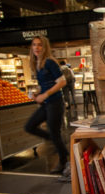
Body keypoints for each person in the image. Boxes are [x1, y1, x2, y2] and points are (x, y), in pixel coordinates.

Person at [24, 36, 69, 176]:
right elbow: (45, 85)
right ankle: (56, 141)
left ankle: (63, 161)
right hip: (46, 104)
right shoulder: (37, 64)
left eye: (40, 45)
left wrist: (45, 94)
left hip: (55, 103)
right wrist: (38, 92)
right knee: (29, 126)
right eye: (34, 45)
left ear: (45, 47)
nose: (37, 48)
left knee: (55, 133)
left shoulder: (50, 62)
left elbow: (62, 82)